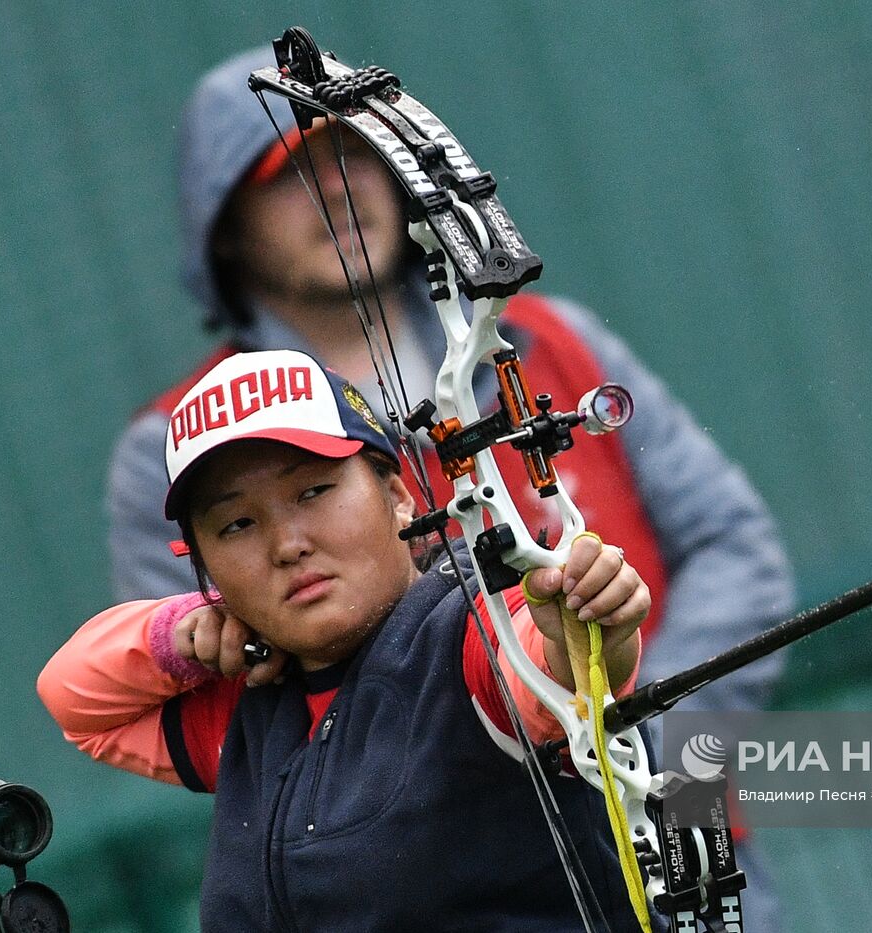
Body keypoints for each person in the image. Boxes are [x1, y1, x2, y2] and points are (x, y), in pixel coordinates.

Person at [107, 47, 795, 926]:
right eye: (293, 178)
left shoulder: (545, 340)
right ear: (225, 226)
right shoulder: (176, 443)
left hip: (678, 811)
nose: (342, 193)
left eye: (357, 155)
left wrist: (628, 726)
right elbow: (203, 683)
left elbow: (737, 550)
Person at [41, 349, 657, 930]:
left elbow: (552, 675)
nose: (287, 545)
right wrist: (182, 632)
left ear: (396, 495)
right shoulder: (251, 707)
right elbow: (75, 698)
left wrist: (587, 625)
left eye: (313, 492)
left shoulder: (470, 626)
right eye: (237, 525)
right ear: (206, 569)